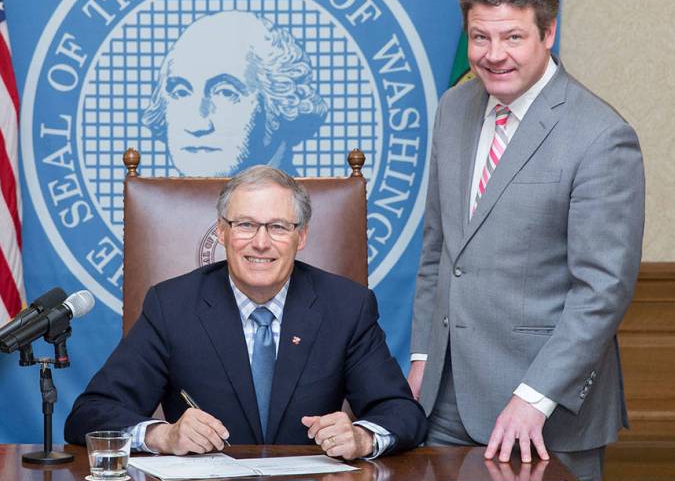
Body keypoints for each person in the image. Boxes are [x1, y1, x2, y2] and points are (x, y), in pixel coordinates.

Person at [407, 0, 645, 481]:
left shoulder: (602, 136)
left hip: (544, 413)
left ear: (548, 33)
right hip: (443, 398)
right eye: (480, 37)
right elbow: (440, 250)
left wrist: (535, 397)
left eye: (513, 36)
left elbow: (602, 291)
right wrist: (423, 355)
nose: (494, 54)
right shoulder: (454, 107)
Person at [66, 165, 426, 458]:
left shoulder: (347, 306)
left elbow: (403, 413)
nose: (261, 242)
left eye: (278, 227)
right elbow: (90, 414)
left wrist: (363, 438)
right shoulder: (172, 305)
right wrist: (163, 435)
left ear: (301, 237)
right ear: (222, 232)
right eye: (246, 225)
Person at [140, 11, 328, 177]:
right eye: (181, 92)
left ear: (278, 104)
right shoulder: (156, 213)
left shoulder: (318, 215)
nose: (197, 123)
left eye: (225, 93)